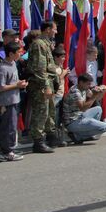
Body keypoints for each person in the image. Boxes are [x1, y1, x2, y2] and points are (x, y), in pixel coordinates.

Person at [26, 20, 64, 153]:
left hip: (48, 83)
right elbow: (40, 68)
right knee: (41, 113)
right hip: (40, 85)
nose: (56, 31)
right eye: (54, 29)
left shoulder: (46, 44)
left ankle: (50, 137)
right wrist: (46, 85)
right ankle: (38, 142)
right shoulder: (39, 44)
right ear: (47, 29)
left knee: (49, 112)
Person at [0, 42, 27, 162]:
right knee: (8, 127)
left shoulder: (13, 63)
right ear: (11, 53)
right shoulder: (3, 68)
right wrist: (16, 85)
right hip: (6, 102)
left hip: (14, 100)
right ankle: (6, 151)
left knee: (12, 126)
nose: (21, 54)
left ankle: (10, 149)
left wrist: (20, 85)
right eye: (18, 52)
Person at [62, 74, 106, 144]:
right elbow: (83, 108)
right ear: (81, 83)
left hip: (80, 116)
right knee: (105, 127)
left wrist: (102, 90)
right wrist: (94, 96)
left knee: (98, 109)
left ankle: (82, 134)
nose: (89, 86)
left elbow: (97, 98)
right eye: (88, 84)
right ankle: (78, 136)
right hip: (72, 122)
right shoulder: (75, 91)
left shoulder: (84, 89)